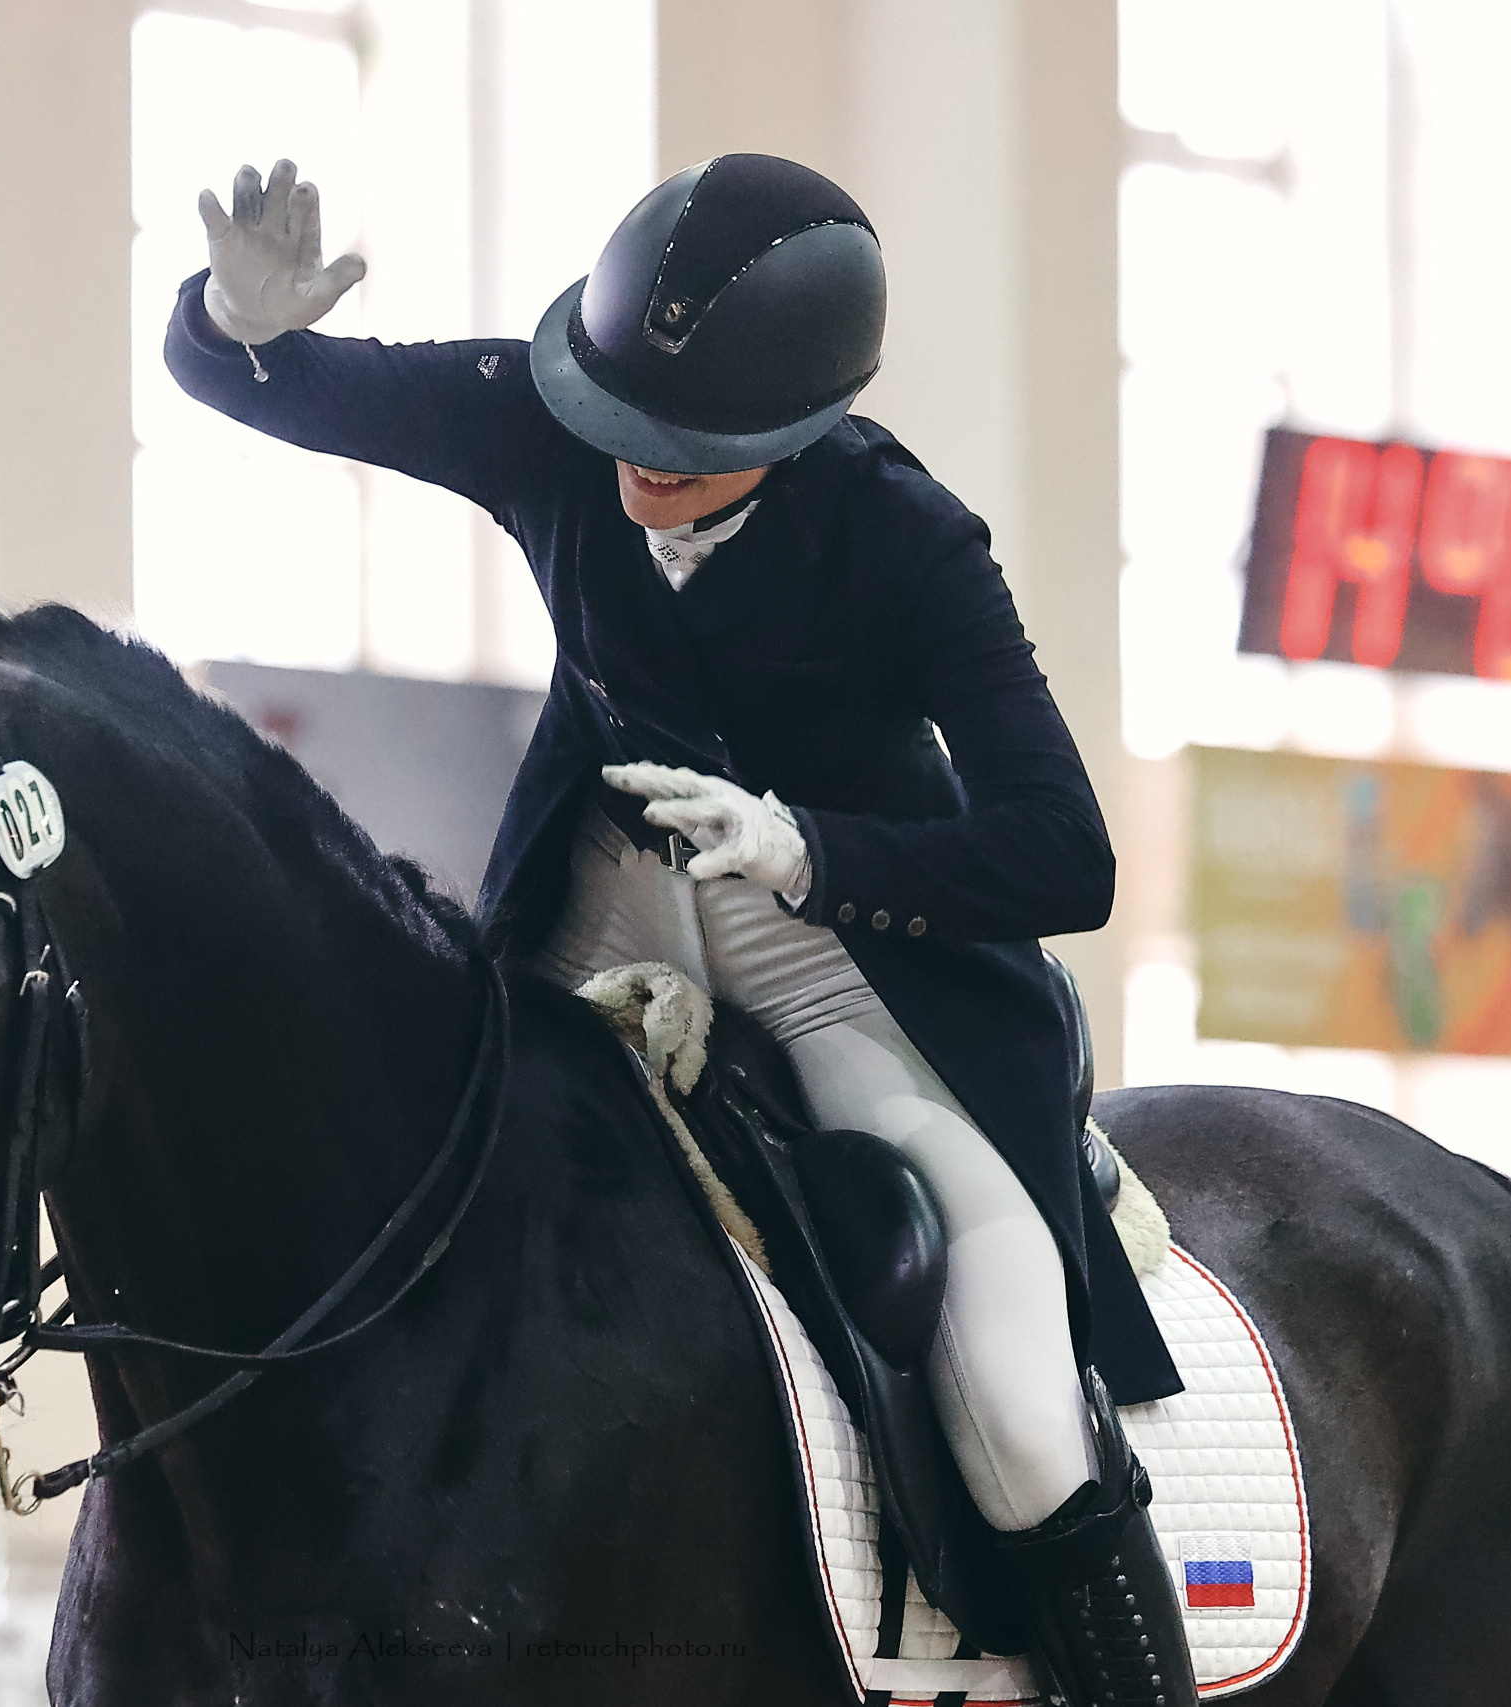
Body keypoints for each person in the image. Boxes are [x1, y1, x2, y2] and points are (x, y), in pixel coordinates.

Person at [166, 155, 1196, 1706]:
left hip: (839, 945)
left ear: (794, 430)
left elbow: (1071, 852)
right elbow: (298, 390)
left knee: (1025, 1406)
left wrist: (816, 850)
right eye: (621, 427)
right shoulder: (555, 414)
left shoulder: (911, 541)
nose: (636, 467)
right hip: (600, 883)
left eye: (683, 449)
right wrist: (234, 328)